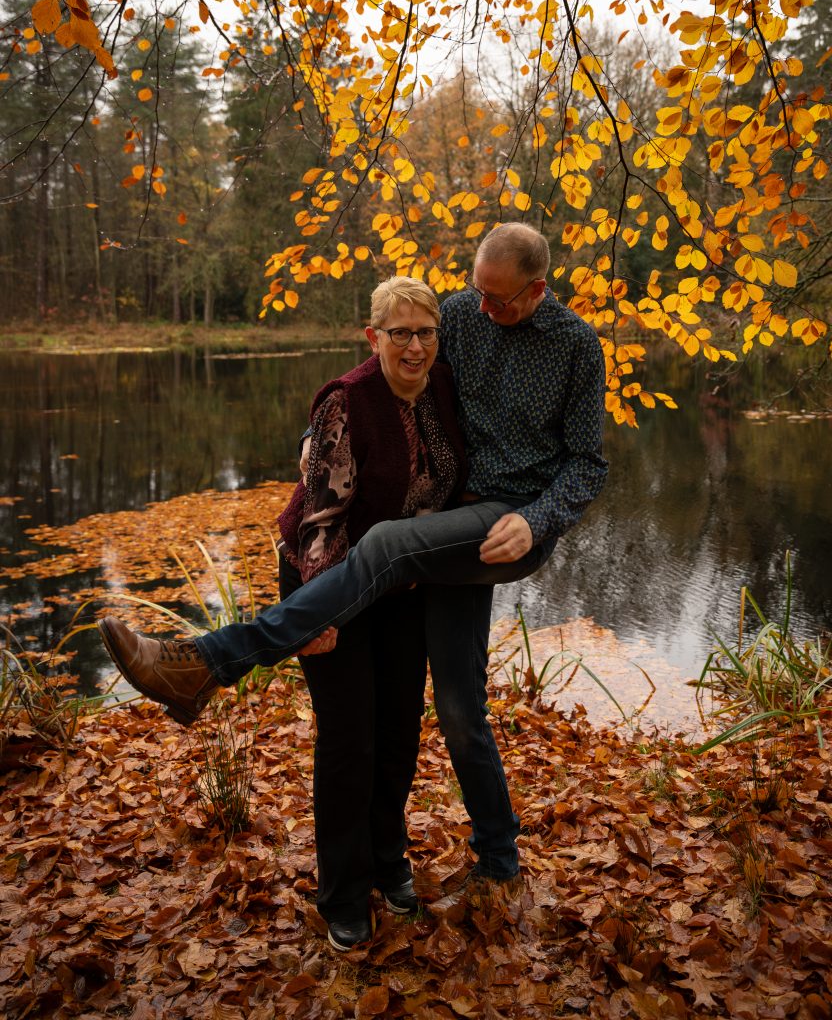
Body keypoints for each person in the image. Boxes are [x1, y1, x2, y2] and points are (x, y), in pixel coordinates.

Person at [98, 222, 609, 895]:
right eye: (476, 292)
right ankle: (497, 859)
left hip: (508, 523)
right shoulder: (460, 314)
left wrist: (537, 520)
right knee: (458, 708)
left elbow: (588, 463)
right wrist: (316, 433)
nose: (481, 308)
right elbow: (387, 369)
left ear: (537, 290)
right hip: (446, 521)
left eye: (499, 299)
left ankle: (211, 661)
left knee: (387, 544)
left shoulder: (577, 347)